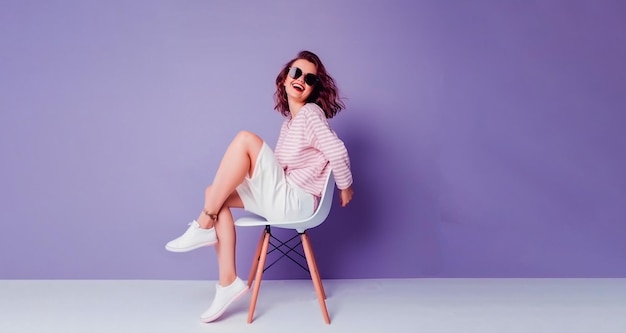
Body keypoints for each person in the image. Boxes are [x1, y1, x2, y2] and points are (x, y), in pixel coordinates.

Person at [165, 50, 354, 323]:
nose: (301, 79)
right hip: (284, 196)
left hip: (296, 200)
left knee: (245, 139)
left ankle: (203, 226)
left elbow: (336, 150)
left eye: (310, 78)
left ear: (314, 89)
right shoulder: (290, 123)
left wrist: (346, 186)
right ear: (285, 78)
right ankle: (228, 282)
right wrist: (245, 176)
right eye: (296, 72)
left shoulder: (311, 114)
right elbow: (276, 171)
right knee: (214, 195)